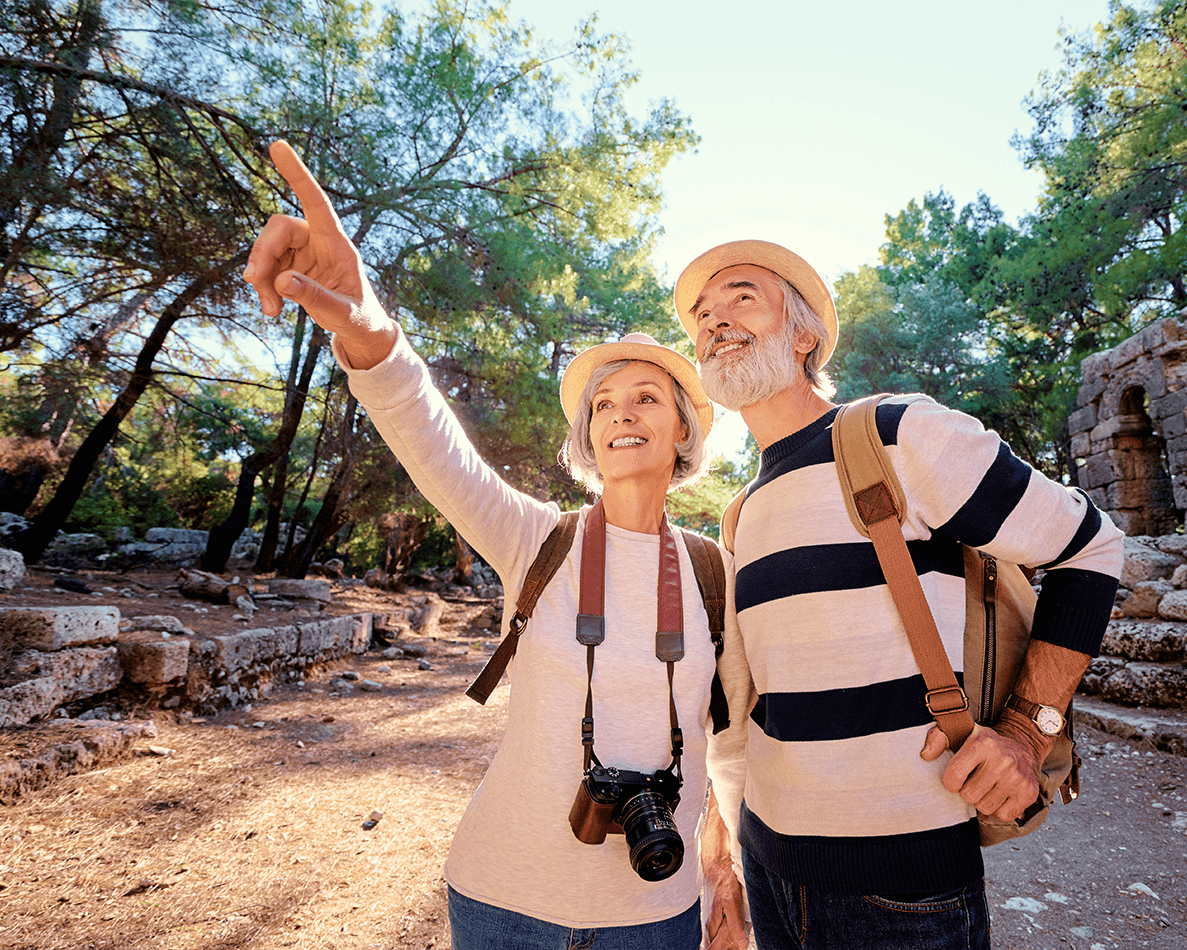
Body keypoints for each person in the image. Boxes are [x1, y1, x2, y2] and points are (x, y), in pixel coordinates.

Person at [242, 140, 752, 950]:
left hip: (652, 915)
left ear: (683, 431)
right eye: (603, 403)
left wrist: (725, 876)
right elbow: (432, 444)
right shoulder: (535, 539)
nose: (621, 413)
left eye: (647, 397)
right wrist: (369, 324)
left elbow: (731, 745)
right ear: (587, 436)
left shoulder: (714, 572)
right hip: (501, 900)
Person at [675, 239, 1125, 950]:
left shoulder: (896, 433)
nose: (714, 321)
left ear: (803, 335)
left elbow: (1090, 546)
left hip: (901, 889)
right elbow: (747, 711)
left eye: (741, 297)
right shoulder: (743, 512)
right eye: (700, 315)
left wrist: (1026, 731)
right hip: (769, 866)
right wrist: (725, 856)